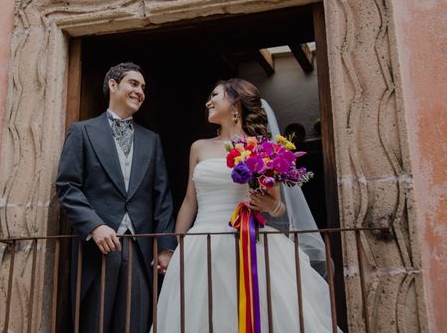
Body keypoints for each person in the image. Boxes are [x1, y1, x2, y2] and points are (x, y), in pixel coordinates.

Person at [153, 78, 338, 332]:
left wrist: (267, 205)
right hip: (201, 243)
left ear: (235, 103)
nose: (208, 102)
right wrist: (176, 246)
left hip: (249, 241)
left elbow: (278, 207)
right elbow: (188, 201)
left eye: (215, 95)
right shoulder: (198, 147)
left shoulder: (264, 149)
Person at [56, 62, 176, 333]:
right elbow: (67, 186)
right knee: (94, 324)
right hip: (97, 249)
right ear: (113, 85)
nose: (140, 91)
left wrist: (167, 247)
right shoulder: (82, 131)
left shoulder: (152, 140)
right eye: (133, 83)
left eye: (143, 87)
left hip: (140, 250)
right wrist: (94, 226)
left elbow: (163, 198)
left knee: (134, 324)